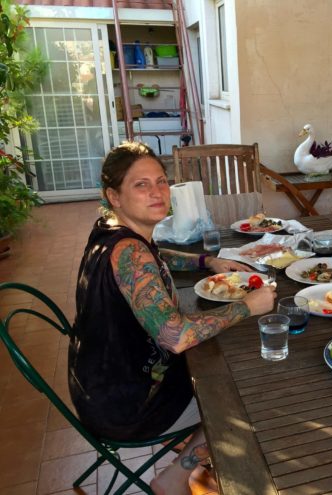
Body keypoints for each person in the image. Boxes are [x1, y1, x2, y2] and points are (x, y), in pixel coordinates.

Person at [68, 142, 277, 495]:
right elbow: (175, 336)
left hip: (97, 386)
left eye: (161, 181)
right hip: (126, 407)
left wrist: (204, 262)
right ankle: (177, 476)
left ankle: (184, 465)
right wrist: (248, 306)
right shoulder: (129, 252)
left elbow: (156, 254)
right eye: (141, 184)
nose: (157, 192)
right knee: (247, 387)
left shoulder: (113, 230)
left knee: (218, 363)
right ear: (114, 196)